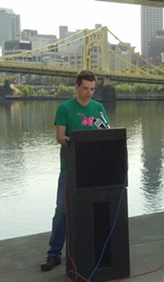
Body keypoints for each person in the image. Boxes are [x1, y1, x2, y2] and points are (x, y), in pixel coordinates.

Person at [40, 70, 110, 272]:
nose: (89, 93)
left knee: (94, 209)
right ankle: (54, 254)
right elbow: (60, 137)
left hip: (94, 168)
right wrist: (73, 141)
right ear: (77, 87)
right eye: (86, 88)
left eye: (92, 89)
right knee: (62, 210)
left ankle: (92, 251)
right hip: (70, 167)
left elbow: (106, 131)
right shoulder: (65, 108)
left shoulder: (98, 109)